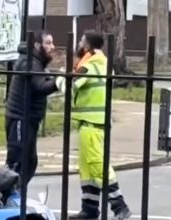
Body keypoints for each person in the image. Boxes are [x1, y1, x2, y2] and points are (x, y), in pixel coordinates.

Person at [57, 30, 132, 220]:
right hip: (97, 122)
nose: (79, 44)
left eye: (82, 41)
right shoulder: (104, 63)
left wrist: (59, 77)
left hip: (92, 123)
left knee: (98, 166)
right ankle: (89, 208)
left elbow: (68, 87)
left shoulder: (89, 67)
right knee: (88, 168)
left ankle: (119, 206)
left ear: (87, 46)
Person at [4, 30, 60, 186]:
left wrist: (57, 78)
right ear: (37, 45)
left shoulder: (36, 62)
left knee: (30, 161)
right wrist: (59, 82)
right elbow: (40, 86)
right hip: (20, 118)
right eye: (48, 43)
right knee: (17, 161)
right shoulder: (29, 62)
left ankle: (17, 195)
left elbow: (42, 80)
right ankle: (10, 197)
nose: (52, 47)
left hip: (30, 119)